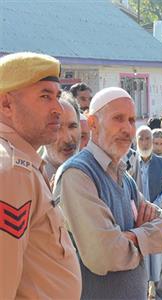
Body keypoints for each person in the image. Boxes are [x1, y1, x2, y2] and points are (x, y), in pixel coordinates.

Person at [54, 87, 162, 299]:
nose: (127, 128)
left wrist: (129, 237)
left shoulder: (124, 177)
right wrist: (144, 238)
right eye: (118, 118)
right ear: (92, 124)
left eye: (131, 120)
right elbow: (104, 256)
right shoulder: (77, 174)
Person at [0, 52, 81, 298]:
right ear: (6, 104)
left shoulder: (23, 162)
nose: (58, 108)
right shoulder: (11, 169)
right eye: (45, 96)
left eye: (57, 96)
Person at [134, 125, 162, 300]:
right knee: (140, 270)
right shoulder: (128, 163)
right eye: (141, 138)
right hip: (136, 224)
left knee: (161, 269)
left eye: (147, 138)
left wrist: (151, 208)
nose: (144, 142)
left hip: (156, 221)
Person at [42, 92, 81, 178]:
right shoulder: (30, 179)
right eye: (57, 128)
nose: (68, 139)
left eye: (72, 126)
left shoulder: (93, 176)